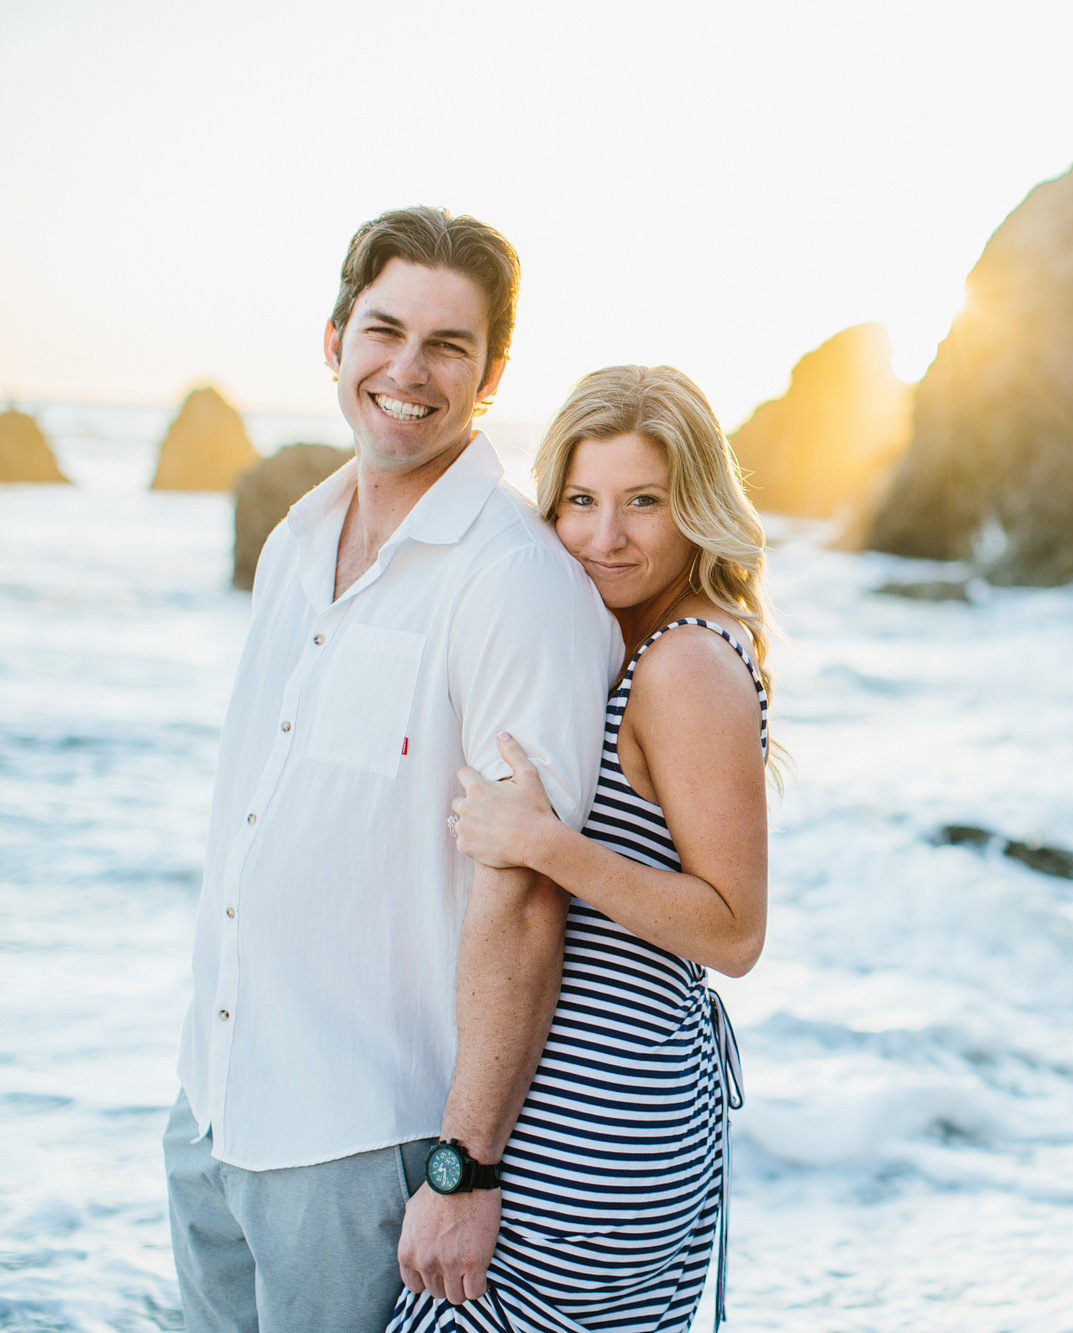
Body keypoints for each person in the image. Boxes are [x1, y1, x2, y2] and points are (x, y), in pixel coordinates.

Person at [165, 206, 625, 1331]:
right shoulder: (292, 542)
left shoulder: (514, 582)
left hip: (361, 1150)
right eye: (383, 330)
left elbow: (521, 899)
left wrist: (465, 1169)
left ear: (491, 373)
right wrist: (195, 1104)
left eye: (447, 346)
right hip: (213, 1111)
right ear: (335, 339)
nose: (406, 371)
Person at [387, 364, 774, 1332]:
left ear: (694, 507)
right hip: (596, 1109)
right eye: (581, 501)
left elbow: (732, 931)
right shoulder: (637, 642)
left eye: (643, 501)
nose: (606, 536)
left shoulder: (684, 662)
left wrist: (545, 846)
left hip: (598, 1128)